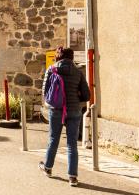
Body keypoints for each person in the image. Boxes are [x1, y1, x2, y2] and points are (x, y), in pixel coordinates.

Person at [39, 47, 87, 187]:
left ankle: (47, 168)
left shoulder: (52, 69)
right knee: (72, 144)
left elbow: (45, 92)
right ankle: (73, 177)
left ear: (58, 56)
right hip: (74, 110)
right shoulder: (78, 72)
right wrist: (75, 96)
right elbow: (87, 95)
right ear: (72, 57)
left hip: (56, 110)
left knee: (53, 139)